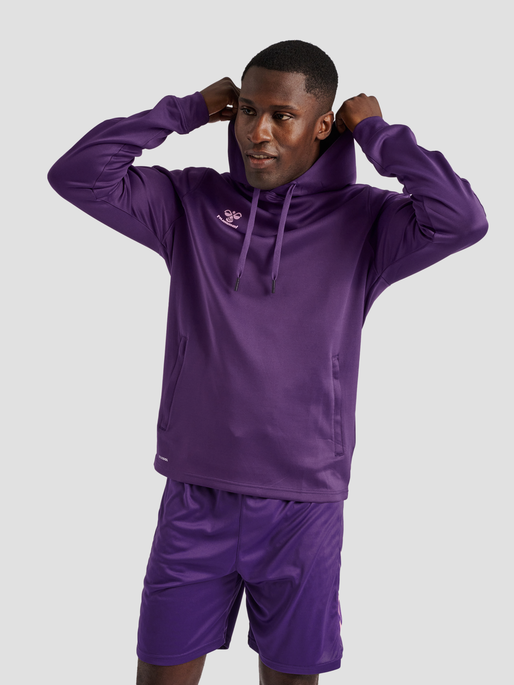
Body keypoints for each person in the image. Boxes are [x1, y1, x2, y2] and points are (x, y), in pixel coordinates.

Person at [48, 40, 488, 685]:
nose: (258, 132)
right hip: (195, 494)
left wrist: (379, 134)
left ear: (323, 124)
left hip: (302, 506)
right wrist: (183, 111)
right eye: (249, 111)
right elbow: (77, 174)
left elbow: (462, 219)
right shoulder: (189, 203)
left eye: (282, 116)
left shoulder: (368, 221)